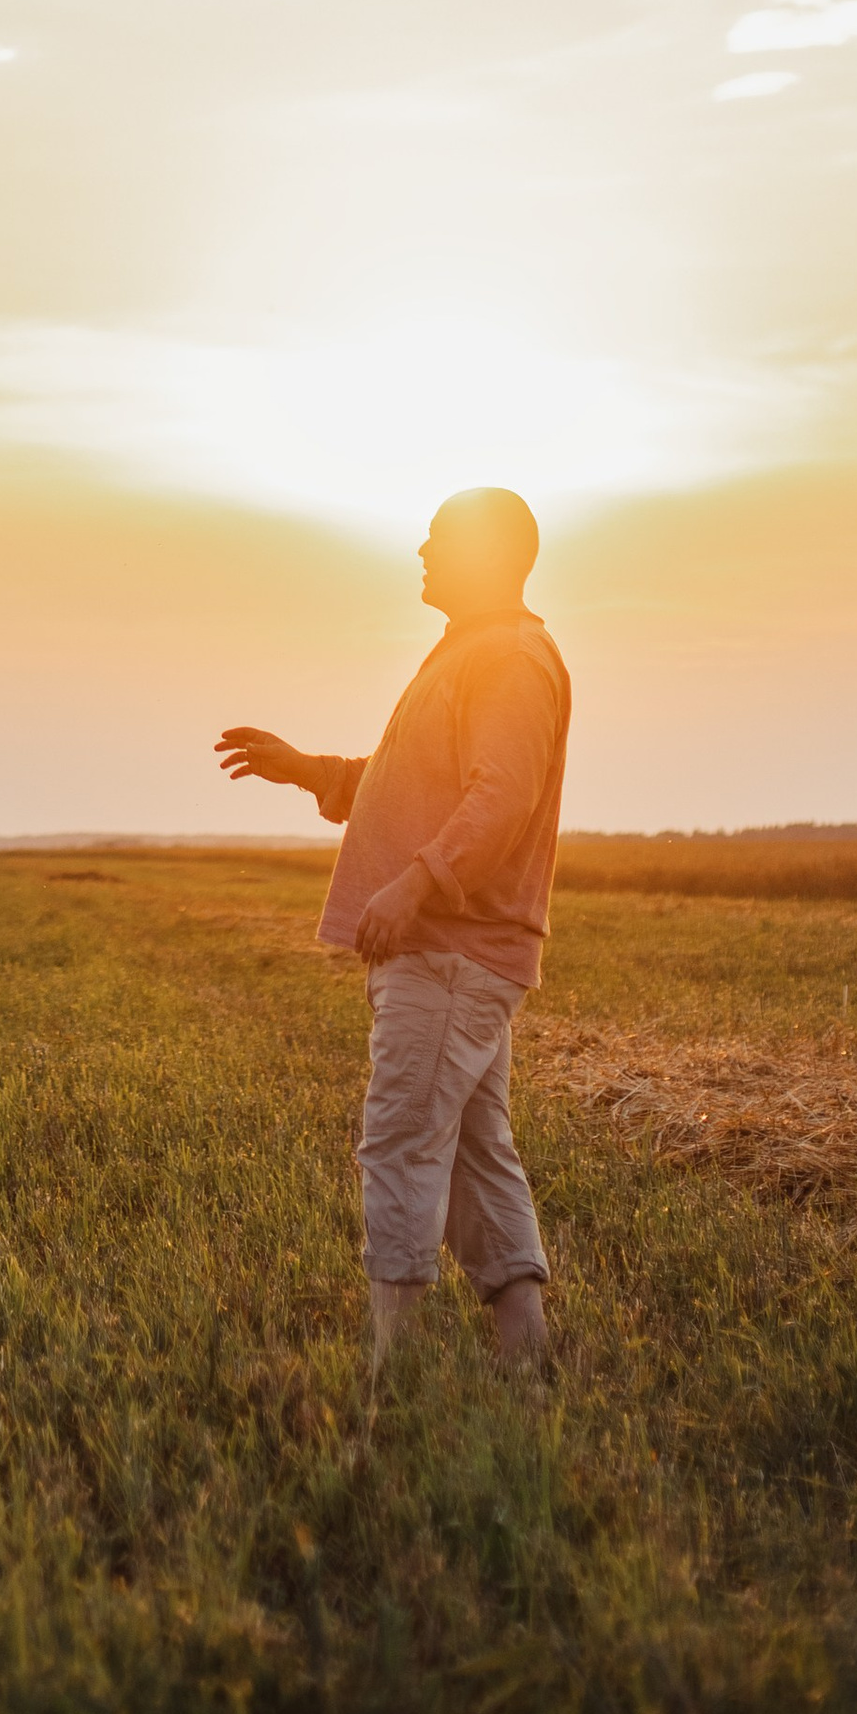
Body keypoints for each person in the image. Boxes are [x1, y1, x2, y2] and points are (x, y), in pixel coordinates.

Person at [216, 487, 570, 1373]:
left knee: (402, 1141)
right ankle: (528, 1360)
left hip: (451, 951)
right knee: (478, 1157)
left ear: (489, 555)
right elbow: (412, 779)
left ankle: (392, 1373)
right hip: (452, 950)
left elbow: (500, 797)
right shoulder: (470, 654)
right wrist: (310, 773)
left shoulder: (510, 660)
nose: (420, 548)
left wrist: (418, 884)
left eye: (440, 537)